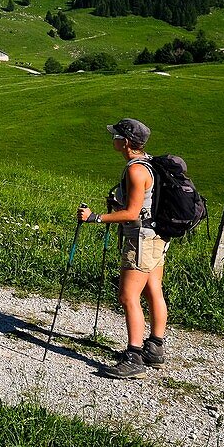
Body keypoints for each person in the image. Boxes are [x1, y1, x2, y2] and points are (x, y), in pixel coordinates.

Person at [78, 118, 168, 379]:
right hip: (157, 237)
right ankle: (156, 348)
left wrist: (95, 217)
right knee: (153, 290)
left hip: (140, 239)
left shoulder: (135, 171)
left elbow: (131, 213)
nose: (113, 140)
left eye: (116, 136)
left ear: (126, 142)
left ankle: (134, 356)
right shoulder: (149, 164)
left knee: (128, 297)